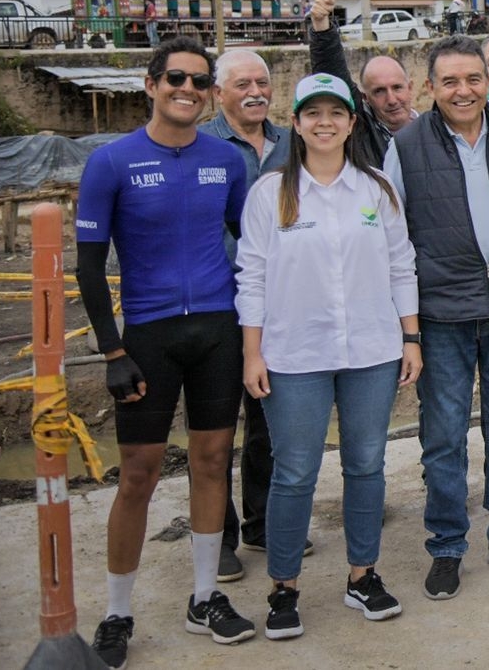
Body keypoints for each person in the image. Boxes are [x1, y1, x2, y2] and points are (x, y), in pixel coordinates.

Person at [78, 38, 256, 667]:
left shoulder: (226, 161)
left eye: (199, 81)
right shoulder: (111, 161)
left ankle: (205, 597)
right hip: (146, 336)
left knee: (212, 462)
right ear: (150, 85)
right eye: (174, 77)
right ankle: (117, 611)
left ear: (209, 93)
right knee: (138, 476)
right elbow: (89, 268)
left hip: (217, 330)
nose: (187, 88)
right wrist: (111, 351)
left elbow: (253, 243)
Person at [236, 73, 422, 639]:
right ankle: (284, 587)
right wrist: (252, 353)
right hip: (295, 355)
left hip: (371, 350)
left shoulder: (375, 189)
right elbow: (252, 276)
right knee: (294, 472)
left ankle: (362, 575)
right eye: (312, 113)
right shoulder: (270, 194)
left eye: (335, 113)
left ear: (350, 122)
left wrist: (410, 338)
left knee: (366, 466)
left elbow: (400, 265)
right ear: (296, 122)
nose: (324, 123)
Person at [382, 36, 489, 598]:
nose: (463, 90)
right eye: (450, 81)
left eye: (474, 79)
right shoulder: (405, 146)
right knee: (444, 437)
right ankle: (448, 546)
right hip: (443, 314)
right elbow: (392, 238)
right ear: (431, 88)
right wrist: (408, 328)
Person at [200, 48, 293, 584]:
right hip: (219, 303)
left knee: (268, 423)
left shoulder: (292, 143)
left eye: (262, 81)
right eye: (241, 84)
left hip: (282, 307)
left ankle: (262, 523)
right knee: (214, 432)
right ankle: (221, 539)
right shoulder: (202, 145)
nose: (255, 91)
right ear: (219, 93)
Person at [309, 0, 416, 169]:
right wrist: (322, 27)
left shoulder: (437, 129)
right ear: (365, 98)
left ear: (410, 87)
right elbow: (335, 79)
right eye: (379, 91)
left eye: (397, 87)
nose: (391, 100)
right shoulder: (361, 134)